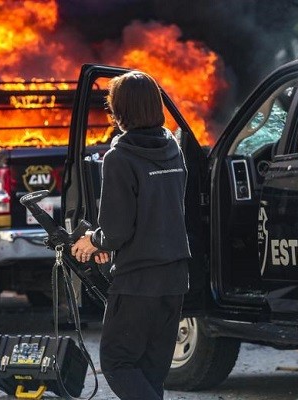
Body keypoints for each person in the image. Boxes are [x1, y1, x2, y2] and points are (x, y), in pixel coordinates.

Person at [71, 70, 191, 400]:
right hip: (176, 276)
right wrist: (110, 240)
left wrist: (93, 241)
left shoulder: (119, 158)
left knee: (118, 362)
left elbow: (116, 231)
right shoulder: (175, 150)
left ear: (120, 110)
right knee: (152, 370)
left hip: (138, 278)